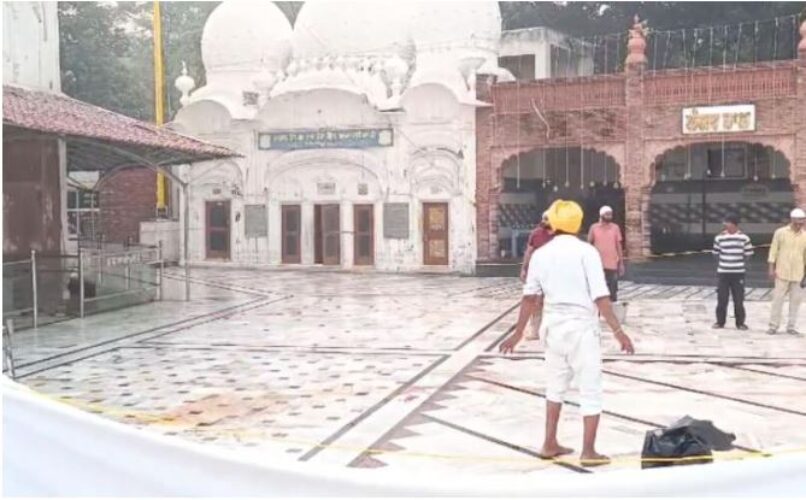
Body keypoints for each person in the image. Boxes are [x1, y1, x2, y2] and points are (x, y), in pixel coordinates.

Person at [500, 199, 635, 467]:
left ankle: (549, 442)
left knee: (555, 387)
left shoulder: (540, 254)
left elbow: (529, 298)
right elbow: (601, 296)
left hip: (552, 329)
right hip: (581, 329)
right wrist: (619, 332)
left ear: (553, 224)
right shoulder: (586, 252)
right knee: (590, 388)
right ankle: (588, 451)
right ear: (578, 223)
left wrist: (518, 334)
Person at [767, 208, 806, 335]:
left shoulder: (805, 236)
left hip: (798, 274)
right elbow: (773, 251)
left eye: (802, 221)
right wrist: (771, 268)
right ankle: (773, 326)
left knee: (795, 302)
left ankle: (791, 326)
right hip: (782, 272)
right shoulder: (780, 233)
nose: (799, 224)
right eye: (797, 221)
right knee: (777, 300)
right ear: (792, 220)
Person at [712, 215, 753, 330]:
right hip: (723, 272)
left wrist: (739, 263)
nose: (725, 225)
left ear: (734, 224)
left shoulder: (744, 238)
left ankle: (740, 323)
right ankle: (720, 322)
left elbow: (748, 254)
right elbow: (715, 253)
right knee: (722, 298)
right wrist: (724, 262)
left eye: (727, 223)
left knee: (738, 299)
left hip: (738, 272)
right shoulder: (719, 238)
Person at [520, 211, 554, 340]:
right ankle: (535, 330)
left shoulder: (558, 235)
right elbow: (529, 251)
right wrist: (524, 268)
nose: (546, 222)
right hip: (537, 273)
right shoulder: (536, 234)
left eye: (549, 219)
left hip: (553, 273)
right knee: (536, 302)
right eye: (545, 219)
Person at [587, 206, 625, 302]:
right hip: (597, 264)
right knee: (597, 289)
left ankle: (612, 310)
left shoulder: (615, 228)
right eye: (607, 214)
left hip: (612, 264)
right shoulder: (594, 228)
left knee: (612, 289)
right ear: (601, 215)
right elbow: (589, 245)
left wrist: (621, 263)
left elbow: (618, 246)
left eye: (610, 214)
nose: (609, 216)